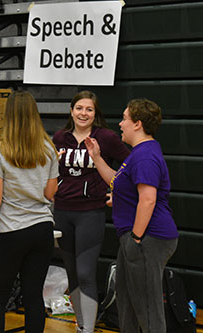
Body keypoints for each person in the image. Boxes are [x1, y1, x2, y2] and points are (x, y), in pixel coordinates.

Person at [84, 98, 179, 332]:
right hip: (136, 238)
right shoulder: (138, 154)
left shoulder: (145, 156)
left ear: (137, 124)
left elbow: (148, 199)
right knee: (126, 302)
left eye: (125, 118)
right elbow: (118, 182)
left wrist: (136, 239)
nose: (120, 124)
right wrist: (96, 157)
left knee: (148, 309)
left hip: (148, 238)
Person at [0, 91, 59, 332]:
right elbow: (50, 194)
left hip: (12, 232)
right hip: (42, 230)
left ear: (9, 115)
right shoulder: (49, 149)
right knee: (34, 297)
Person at [52, 91, 130, 333]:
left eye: (89, 109)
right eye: (79, 108)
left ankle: (88, 330)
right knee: (72, 272)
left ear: (96, 114)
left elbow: (131, 163)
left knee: (86, 271)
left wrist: (117, 192)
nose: (83, 113)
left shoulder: (105, 138)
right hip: (62, 212)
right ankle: (81, 325)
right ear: (71, 111)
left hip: (90, 213)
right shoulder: (59, 137)